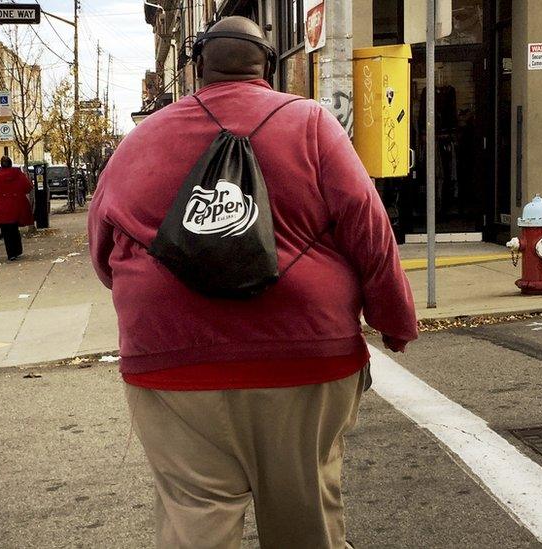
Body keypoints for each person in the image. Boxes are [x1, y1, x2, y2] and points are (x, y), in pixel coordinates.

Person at [88, 16, 417, 549]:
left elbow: (102, 251)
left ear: (199, 66)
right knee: (305, 515)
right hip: (306, 355)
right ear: (267, 65)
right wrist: (394, 320)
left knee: (194, 516)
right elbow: (369, 228)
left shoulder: (141, 139)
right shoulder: (310, 123)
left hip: (173, 362)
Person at [0, 156, 33, 261]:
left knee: (6, 232)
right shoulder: (18, 174)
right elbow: (28, 187)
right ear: (11, 164)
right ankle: (17, 250)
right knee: (14, 229)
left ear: (1, 165)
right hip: (16, 206)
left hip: (2, 208)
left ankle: (10, 253)